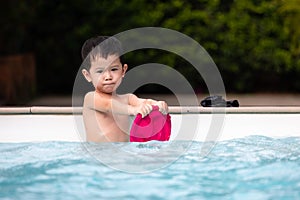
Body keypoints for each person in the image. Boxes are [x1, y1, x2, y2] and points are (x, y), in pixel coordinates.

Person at [81, 36, 168, 142]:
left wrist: (157, 105)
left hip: (123, 155)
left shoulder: (128, 99)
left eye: (113, 69)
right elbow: (108, 105)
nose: (108, 76)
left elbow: (143, 102)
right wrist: (133, 109)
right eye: (100, 71)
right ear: (88, 75)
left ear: (123, 70)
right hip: (97, 154)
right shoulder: (90, 98)